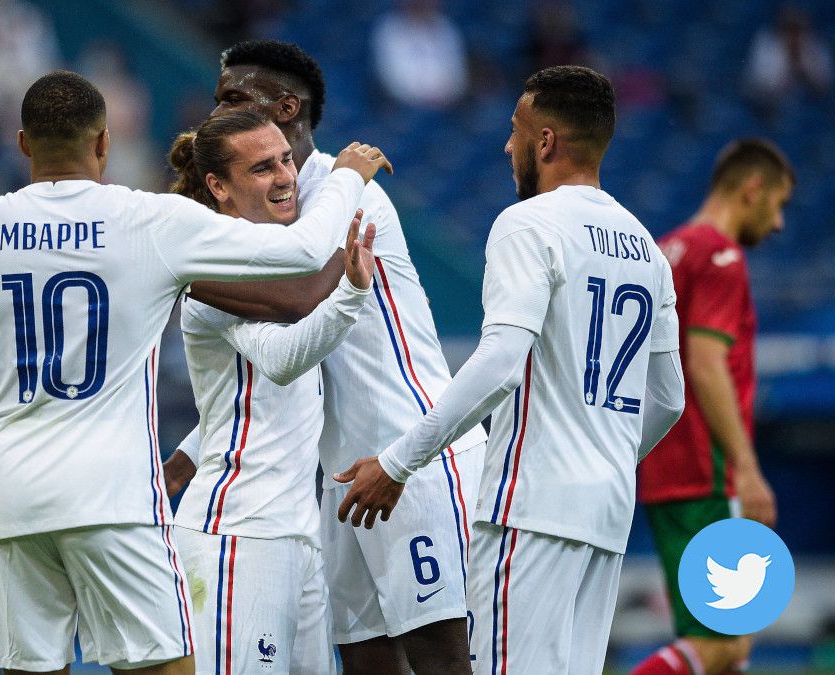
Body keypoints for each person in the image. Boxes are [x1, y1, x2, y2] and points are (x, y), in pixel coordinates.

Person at [0, 71, 391, 675]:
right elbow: (297, 255)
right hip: (119, 499)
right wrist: (346, 176)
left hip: (12, 503)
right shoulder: (148, 222)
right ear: (104, 142)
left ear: (24, 143)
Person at [334, 65, 686, 674]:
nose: (506, 145)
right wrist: (602, 457)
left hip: (530, 507)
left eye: (515, 129)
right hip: (605, 513)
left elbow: (500, 362)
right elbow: (671, 398)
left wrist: (397, 463)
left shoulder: (527, 224)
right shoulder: (647, 248)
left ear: (545, 141)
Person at [179, 39, 487, 675]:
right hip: (343, 478)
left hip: (412, 458)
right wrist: (187, 454)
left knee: (441, 660)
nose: (217, 112)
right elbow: (266, 364)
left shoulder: (348, 193)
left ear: (286, 107)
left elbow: (294, 300)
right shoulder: (272, 211)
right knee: (367, 660)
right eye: (217, 101)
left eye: (234, 98)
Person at [165, 110, 375, 674]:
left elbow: (242, 400)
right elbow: (283, 360)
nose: (285, 176)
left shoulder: (267, 262)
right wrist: (351, 288)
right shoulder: (211, 268)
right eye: (262, 168)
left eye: (286, 158)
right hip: (237, 537)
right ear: (219, 187)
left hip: (298, 536)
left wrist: (181, 460)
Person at [631, 139, 793, 675]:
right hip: (707, 469)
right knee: (724, 645)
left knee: (722, 649)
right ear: (753, 189)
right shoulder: (721, 255)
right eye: (779, 204)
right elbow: (705, 363)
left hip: (661, 465)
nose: (779, 223)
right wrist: (746, 468)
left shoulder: (665, 250)